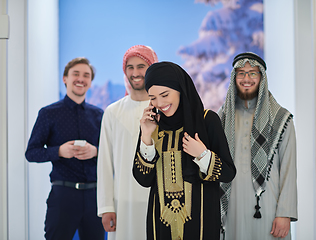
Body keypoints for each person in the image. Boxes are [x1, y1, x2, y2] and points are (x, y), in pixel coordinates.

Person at [133, 61, 236, 240]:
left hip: (201, 225)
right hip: (160, 226)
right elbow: (143, 178)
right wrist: (146, 138)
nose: (160, 103)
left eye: (165, 94)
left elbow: (228, 173)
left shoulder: (207, 121)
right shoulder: (152, 126)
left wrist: (202, 155)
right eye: (153, 97)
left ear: (181, 88)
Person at [218, 52, 298, 239]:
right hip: (232, 207)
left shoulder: (281, 119)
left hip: (268, 208)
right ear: (234, 77)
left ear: (262, 77)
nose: (247, 79)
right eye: (241, 73)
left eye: (253, 73)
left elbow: (288, 168)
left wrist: (284, 213)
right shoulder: (221, 118)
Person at [25, 57, 104, 240]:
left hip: (94, 196)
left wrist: (96, 151)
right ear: (65, 79)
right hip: (63, 196)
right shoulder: (48, 113)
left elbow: (112, 153)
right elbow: (31, 152)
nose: (80, 79)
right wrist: (59, 151)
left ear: (90, 82)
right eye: (75, 74)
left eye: (86, 75)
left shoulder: (99, 115)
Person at [96, 45, 159, 240]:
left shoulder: (164, 109)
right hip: (123, 204)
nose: (135, 72)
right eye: (130, 67)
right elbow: (104, 164)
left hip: (158, 201)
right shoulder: (113, 112)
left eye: (141, 66)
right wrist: (106, 207)